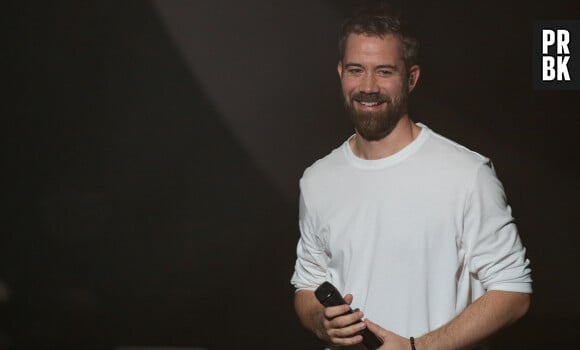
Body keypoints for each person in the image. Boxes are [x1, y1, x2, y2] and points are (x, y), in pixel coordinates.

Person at [290, 4, 532, 350]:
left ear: (411, 78)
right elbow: (307, 286)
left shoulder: (466, 174)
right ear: (341, 72)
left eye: (384, 71)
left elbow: (514, 291)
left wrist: (417, 347)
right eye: (356, 70)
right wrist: (321, 321)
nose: (368, 86)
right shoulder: (317, 180)